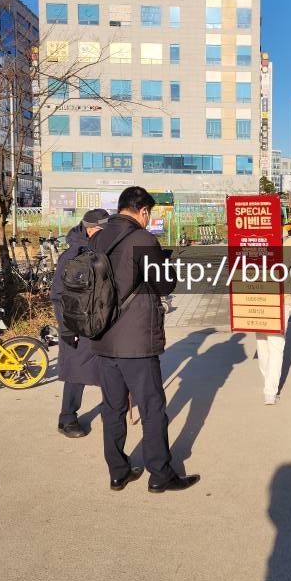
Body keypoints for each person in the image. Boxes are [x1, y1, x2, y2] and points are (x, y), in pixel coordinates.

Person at [91, 186, 200, 493]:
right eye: (148, 213)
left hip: (103, 337)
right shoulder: (143, 239)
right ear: (142, 211)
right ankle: (160, 474)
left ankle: (118, 472)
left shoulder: (98, 237)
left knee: (112, 408)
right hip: (136, 340)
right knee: (152, 408)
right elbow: (164, 285)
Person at [50, 208, 110, 437]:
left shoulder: (104, 250)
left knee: (109, 368)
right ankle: (67, 418)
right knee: (77, 369)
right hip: (77, 321)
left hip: (102, 320)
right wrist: (66, 327)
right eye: (103, 230)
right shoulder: (72, 255)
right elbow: (58, 294)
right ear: (91, 229)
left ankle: (110, 410)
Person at [256, 225, 291, 405]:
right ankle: (270, 391)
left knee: (262, 343)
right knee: (275, 345)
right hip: (282, 300)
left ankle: (268, 383)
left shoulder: (256, 239)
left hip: (258, 299)